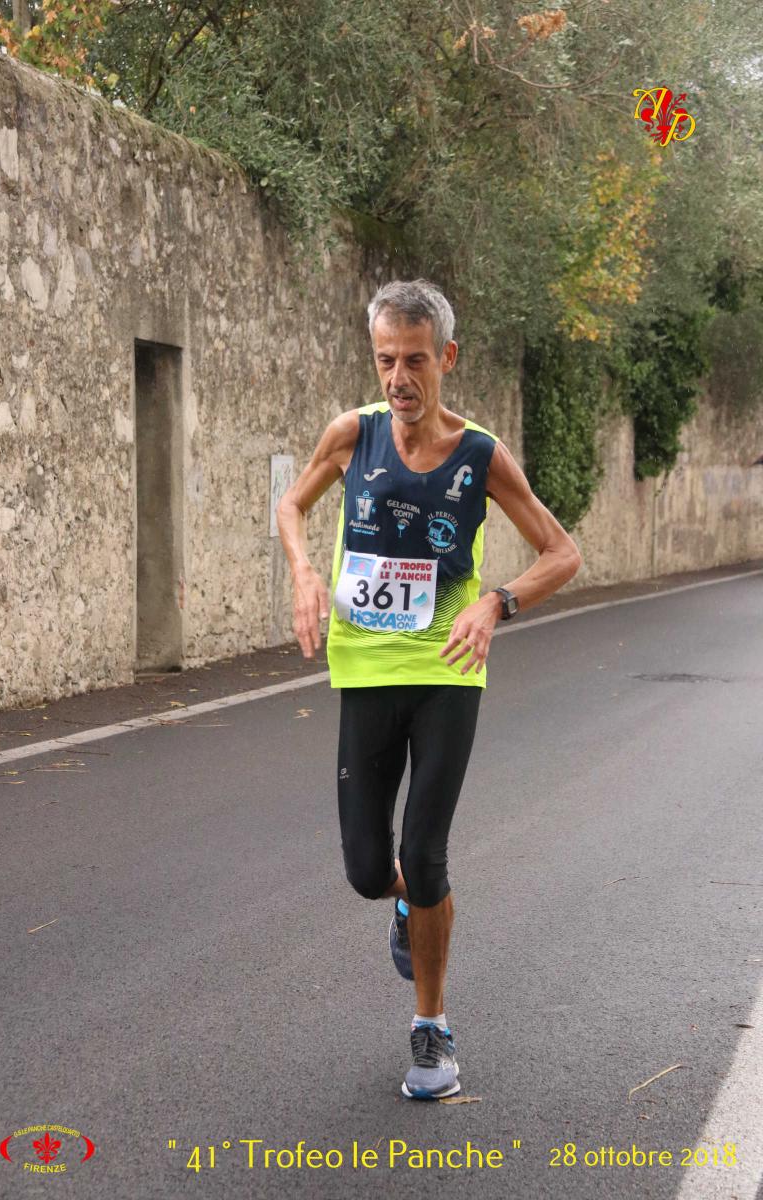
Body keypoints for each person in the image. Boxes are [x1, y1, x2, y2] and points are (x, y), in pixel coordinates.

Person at [277, 279, 582, 1099]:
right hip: (366, 671)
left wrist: (496, 601)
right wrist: (304, 570)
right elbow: (292, 505)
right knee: (367, 867)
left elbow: (562, 552)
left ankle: (432, 1028)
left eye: (415, 360)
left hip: (448, 671)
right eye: (386, 360)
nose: (398, 378)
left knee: (424, 849)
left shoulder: (480, 455)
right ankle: (408, 903)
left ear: (446, 357)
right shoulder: (353, 435)